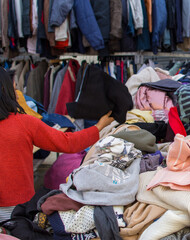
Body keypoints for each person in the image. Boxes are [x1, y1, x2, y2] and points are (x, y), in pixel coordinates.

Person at [0, 67, 114, 221]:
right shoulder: (23, 123)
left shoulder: (24, 123)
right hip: (17, 205)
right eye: (14, 88)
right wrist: (99, 127)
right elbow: (67, 143)